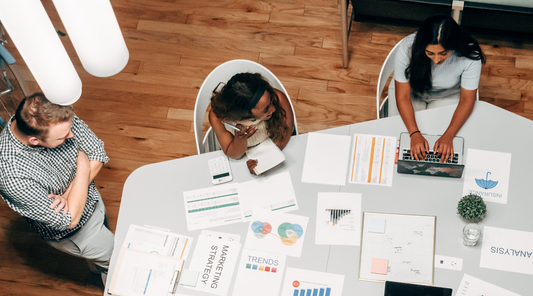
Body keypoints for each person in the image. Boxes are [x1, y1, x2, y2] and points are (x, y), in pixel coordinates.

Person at [0, 93, 113, 285]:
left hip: (93, 200)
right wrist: (83, 164)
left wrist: (69, 194)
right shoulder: (11, 174)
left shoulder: (52, 116)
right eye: (63, 137)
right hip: (78, 233)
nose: (71, 135)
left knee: (103, 253)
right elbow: (69, 218)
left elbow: (97, 152)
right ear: (34, 140)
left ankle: (98, 266)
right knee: (116, 261)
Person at [389, 15, 486, 163]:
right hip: (412, 92)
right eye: (430, 53)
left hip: (447, 95)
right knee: (400, 140)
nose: (436, 60)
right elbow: (402, 96)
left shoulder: (469, 55)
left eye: (443, 53)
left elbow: (467, 99)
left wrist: (449, 134)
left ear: (454, 46)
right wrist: (414, 133)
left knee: (444, 144)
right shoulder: (408, 47)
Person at [209, 72, 294, 174]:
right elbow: (235, 155)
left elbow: (287, 130)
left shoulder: (278, 98)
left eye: (271, 100)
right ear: (244, 116)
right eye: (266, 109)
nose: (274, 108)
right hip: (242, 155)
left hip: (274, 145)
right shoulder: (217, 118)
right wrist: (240, 139)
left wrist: (266, 160)